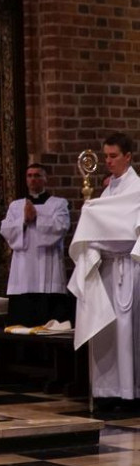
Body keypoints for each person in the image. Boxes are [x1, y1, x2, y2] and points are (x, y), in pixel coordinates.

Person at [68, 132, 140, 406]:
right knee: (106, 330)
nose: (108, 161)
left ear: (128, 157)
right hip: (107, 268)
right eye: (106, 156)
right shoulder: (109, 191)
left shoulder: (137, 189)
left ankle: (129, 392)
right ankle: (107, 391)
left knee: (127, 330)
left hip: (128, 268)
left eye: (113, 156)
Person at [0, 163, 72, 328]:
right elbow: (6, 229)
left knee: (49, 324)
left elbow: (61, 227)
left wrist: (37, 218)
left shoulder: (59, 204)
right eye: (29, 176)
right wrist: (23, 220)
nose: (33, 179)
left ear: (45, 179)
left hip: (49, 273)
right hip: (23, 275)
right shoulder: (16, 206)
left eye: (37, 175)